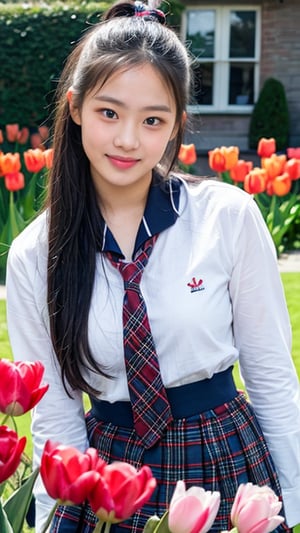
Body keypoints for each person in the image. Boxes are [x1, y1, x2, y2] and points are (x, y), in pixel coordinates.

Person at [6, 1, 300, 532]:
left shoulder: (226, 217)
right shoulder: (36, 254)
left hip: (221, 460)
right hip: (108, 473)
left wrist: (293, 503)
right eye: (108, 112)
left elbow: (271, 373)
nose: (127, 140)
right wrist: (56, 520)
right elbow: (57, 413)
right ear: (75, 108)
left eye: (152, 120)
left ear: (177, 126)